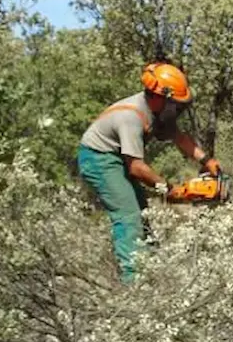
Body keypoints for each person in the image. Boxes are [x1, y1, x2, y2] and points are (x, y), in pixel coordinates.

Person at [77, 61, 222, 284]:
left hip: (118, 158)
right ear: (159, 97)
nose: (178, 110)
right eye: (175, 105)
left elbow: (180, 138)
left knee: (142, 212)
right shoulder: (131, 117)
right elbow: (136, 167)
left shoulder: (160, 113)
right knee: (129, 215)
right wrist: (170, 190)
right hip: (99, 158)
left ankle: (152, 271)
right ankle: (133, 284)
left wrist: (207, 161)